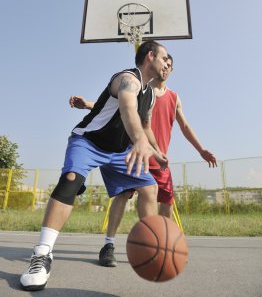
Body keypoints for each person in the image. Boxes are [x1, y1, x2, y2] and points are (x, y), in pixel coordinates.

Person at [20, 41, 169, 291]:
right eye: (164, 58)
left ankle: (149, 247)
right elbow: (126, 108)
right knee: (70, 180)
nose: (167, 63)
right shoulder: (128, 79)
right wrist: (141, 141)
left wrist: (155, 150)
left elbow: (144, 125)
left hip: (120, 152)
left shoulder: (151, 94)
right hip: (88, 142)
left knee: (149, 189)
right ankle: (42, 255)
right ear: (150, 56)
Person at [95, 53, 217, 267]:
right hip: (137, 153)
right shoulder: (140, 88)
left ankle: (161, 242)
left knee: (167, 201)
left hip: (160, 159)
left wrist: (201, 150)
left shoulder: (174, 97)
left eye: (170, 65)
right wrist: (87, 104)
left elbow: (185, 127)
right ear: (156, 64)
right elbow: (116, 106)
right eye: (165, 63)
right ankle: (109, 244)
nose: (167, 67)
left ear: (171, 70)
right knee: (123, 195)